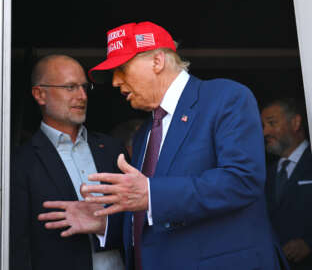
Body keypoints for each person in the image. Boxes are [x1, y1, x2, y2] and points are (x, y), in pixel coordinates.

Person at [38, 21, 288, 270]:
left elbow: (242, 180)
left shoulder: (225, 97)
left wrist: (152, 193)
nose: (115, 82)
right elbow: (154, 216)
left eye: (122, 68)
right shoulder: (144, 133)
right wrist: (106, 222)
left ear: (157, 62)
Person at [10, 55, 126, 270]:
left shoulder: (112, 150)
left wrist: (104, 225)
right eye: (70, 87)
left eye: (84, 86)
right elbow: (17, 245)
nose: (82, 96)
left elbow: (139, 220)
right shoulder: (19, 163)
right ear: (40, 94)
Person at [261, 98, 312, 270]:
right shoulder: (264, 173)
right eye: (263, 126)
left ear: (296, 122)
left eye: (271, 123)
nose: (265, 132)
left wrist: (311, 243)